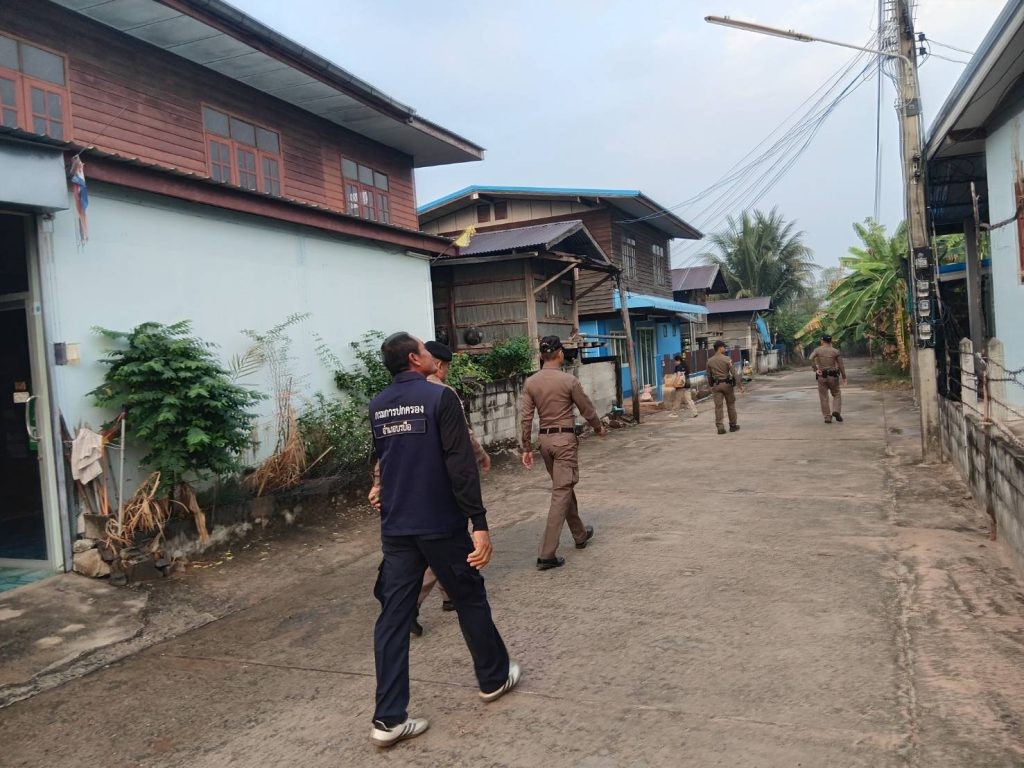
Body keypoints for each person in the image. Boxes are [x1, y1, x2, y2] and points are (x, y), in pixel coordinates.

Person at [367, 332, 520, 748]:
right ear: (414, 359)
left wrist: (379, 488)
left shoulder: (378, 404)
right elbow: (460, 462)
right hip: (439, 523)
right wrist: (479, 522)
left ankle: (388, 719)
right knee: (469, 596)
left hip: (397, 528)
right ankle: (493, 677)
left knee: (393, 618)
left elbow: (385, 457)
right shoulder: (440, 397)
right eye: (424, 349)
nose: (431, 355)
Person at [368, 340, 491, 636]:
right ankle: (412, 606)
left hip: (401, 498)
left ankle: (445, 596)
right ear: (436, 364)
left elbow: (388, 447)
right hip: (437, 494)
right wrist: (481, 458)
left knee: (426, 548)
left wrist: (378, 482)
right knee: (439, 548)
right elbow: (462, 441)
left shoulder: (387, 399)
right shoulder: (441, 394)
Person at [520, 335, 607, 570]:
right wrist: (598, 427)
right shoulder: (569, 381)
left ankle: (580, 534)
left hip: (544, 442)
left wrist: (526, 447)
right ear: (560, 354)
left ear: (541, 356)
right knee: (561, 492)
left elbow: (526, 418)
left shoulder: (531, 383)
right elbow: (586, 408)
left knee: (563, 486)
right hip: (564, 442)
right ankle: (546, 554)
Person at [706, 340, 745, 435]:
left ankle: (720, 428)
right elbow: (734, 373)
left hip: (716, 386)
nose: (725, 349)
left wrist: (711, 385)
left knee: (718, 407)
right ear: (720, 348)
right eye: (724, 347)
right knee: (730, 405)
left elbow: (709, 376)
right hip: (727, 385)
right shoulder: (727, 359)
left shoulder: (709, 361)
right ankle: (733, 426)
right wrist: (740, 385)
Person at [809, 334, 847, 423]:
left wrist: (816, 369)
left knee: (824, 397)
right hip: (833, 376)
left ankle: (827, 417)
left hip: (822, 376)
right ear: (831, 341)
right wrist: (844, 377)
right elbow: (841, 365)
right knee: (836, 394)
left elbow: (810, 358)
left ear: (822, 341)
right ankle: (836, 411)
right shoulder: (835, 351)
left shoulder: (817, 350)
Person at [666, 353, 698, 418]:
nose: (674, 362)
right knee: (689, 399)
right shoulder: (685, 365)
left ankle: (674, 413)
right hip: (687, 384)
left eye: (675, 361)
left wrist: (674, 383)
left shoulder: (678, 367)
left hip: (680, 385)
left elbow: (678, 376)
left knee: (677, 399)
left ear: (678, 360)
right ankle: (694, 412)